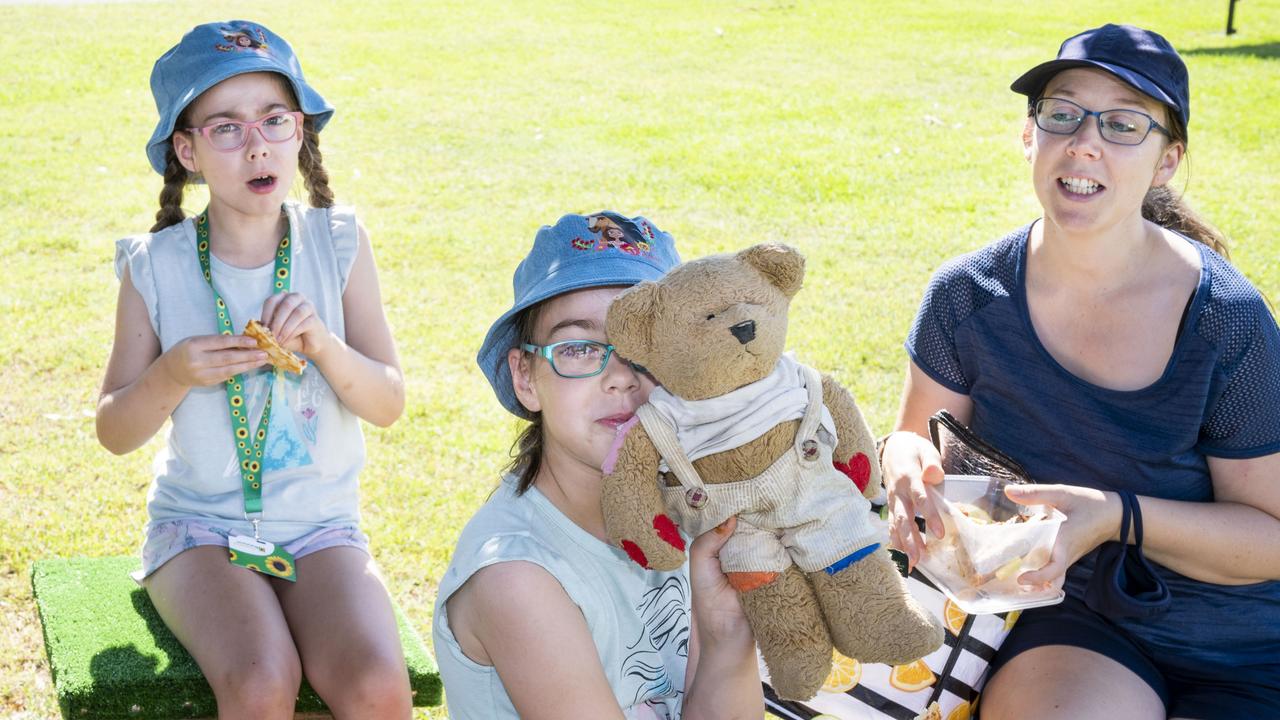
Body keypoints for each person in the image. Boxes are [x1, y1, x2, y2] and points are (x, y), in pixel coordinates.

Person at [881, 24, 1280, 720]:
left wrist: (1112, 516)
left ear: (1166, 161)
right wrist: (904, 462)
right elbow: (912, 442)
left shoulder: (1228, 322)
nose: (1084, 141)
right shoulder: (966, 297)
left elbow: (1270, 539)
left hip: (1241, 638)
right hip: (1068, 618)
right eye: (1062, 114)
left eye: (1124, 124)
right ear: (1029, 136)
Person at [96, 20, 411, 719]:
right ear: (188, 151)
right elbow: (114, 429)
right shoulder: (155, 266)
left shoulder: (338, 243)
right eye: (227, 128)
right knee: (262, 679)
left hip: (321, 526)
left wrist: (324, 346)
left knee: (377, 686)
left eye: (275, 119)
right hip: (199, 532)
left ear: (300, 133)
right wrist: (172, 373)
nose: (258, 143)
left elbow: (388, 403)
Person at [433, 213, 763, 719]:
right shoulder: (517, 578)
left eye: (646, 346)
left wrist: (724, 635)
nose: (620, 378)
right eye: (581, 348)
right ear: (525, 376)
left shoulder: (694, 515)